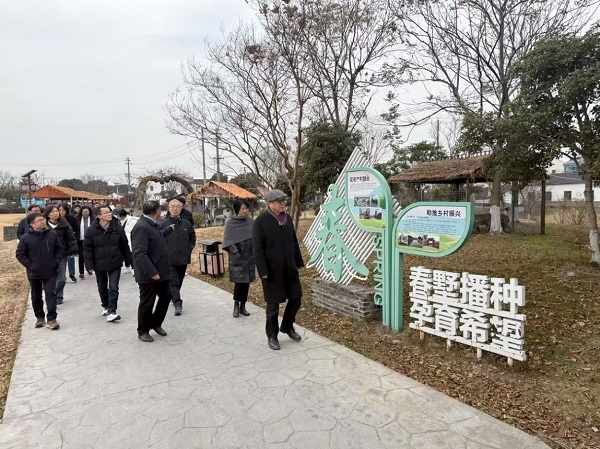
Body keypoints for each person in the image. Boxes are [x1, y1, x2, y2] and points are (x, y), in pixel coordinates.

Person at [252, 189, 304, 350]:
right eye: (279, 201)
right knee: (273, 306)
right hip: (272, 271)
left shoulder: (287, 218)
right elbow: (257, 249)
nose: (283, 204)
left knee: (296, 298)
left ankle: (287, 325)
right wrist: (263, 270)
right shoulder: (260, 222)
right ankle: (272, 335)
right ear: (270, 203)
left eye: (284, 201)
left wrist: (298, 261)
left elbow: (293, 241)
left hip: (289, 268)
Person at [132, 200, 172, 342]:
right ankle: (143, 330)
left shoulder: (153, 224)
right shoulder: (141, 227)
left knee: (166, 296)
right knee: (147, 302)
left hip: (161, 272)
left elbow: (156, 240)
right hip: (148, 274)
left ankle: (155, 323)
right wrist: (152, 272)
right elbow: (139, 253)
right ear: (157, 211)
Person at [83, 205, 132, 321]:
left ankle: (112, 311)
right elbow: (87, 249)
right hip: (99, 263)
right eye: (105, 213)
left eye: (109, 212)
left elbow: (124, 245)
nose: (109, 214)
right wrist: (89, 265)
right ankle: (106, 305)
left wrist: (129, 261)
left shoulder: (117, 227)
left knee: (113, 287)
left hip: (115, 262)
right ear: (99, 216)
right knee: (102, 287)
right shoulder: (91, 230)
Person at [15, 212, 63, 330]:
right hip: (34, 272)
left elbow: (59, 249)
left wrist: (55, 262)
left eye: (43, 219)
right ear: (32, 224)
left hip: (50, 271)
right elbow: (20, 254)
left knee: (51, 295)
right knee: (36, 296)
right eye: (40, 220)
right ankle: (40, 317)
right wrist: (30, 265)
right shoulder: (26, 238)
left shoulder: (52, 234)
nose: (43, 221)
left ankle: (51, 319)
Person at [160, 199, 196, 316]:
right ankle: (177, 303)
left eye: (177, 206)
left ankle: (173, 295)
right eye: (172, 206)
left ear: (181, 209)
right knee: (174, 281)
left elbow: (192, 236)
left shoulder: (187, 224)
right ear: (169, 209)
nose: (175, 209)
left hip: (183, 257)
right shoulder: (163, 224)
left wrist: (189, 247)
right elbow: (158, 238)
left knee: (180, 279)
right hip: (169, 258)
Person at [223, 199, 255, 318]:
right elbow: (227, 240)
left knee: (246, 283)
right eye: (242, 209)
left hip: (249, 257)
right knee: (239, 283)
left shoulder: (251, 222)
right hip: (237, 257)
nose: (245, 211)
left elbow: (255, 237)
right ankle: (236, 305)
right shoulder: (230, 222)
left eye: (246, 208)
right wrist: (236, 252)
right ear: (237, 210)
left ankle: (243, 306)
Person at [43, 205, 78, 305]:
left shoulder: (64, 224)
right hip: (47, 255)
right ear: (48, 214)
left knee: (61, 278)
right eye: (53, 212)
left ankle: (57, 296)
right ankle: (52, 296)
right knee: (50, 277)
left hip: (62, 254)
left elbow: (71, 238)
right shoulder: (44, 226)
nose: (55, 213)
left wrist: (73, 250)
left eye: (56, 211)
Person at [59, 203, 78, 283]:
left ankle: (72, 274)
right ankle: (62, 276)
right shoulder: (56, 219)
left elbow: (76, 229)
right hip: (60, 243)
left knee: (70, 258)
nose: (61, 212)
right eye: (60, 210)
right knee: (62, 261)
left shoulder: (71, 218)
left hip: (69, 242)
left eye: (63, 210)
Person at [75, 206, 94, 279]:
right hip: (80, 240)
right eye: (84, 212)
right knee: (81, 256)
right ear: (81, 212)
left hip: (90, 240)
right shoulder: (77, 219)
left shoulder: (93, 219)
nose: (86, 213)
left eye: (87, 212)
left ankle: (89, 268)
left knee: (90, 255)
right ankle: (81, 272)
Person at [117, 209, 139, 275]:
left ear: (122, 216)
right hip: (125, 241)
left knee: (131, 255)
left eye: (118, 216)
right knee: (126, 254)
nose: (118, 218)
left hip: (131, 241)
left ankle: (134, 269)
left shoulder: (132, 221)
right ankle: (128, 267)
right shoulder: (121, 222)